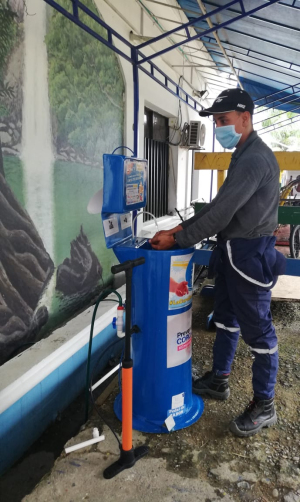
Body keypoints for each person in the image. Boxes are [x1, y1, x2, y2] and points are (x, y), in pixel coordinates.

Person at [150, 88, 286, 437]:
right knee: (225, 319)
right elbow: (217, 203)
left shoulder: (256, 158)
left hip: (249, 255)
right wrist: (179, 226)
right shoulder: (241, 154)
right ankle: (220, 379)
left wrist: (179, 240)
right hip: (229, 253)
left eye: (224, 121)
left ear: (245, 117)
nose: (219, 127)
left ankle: (265, 405)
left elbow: (223, 214)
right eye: (216, 122)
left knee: (259, 332)